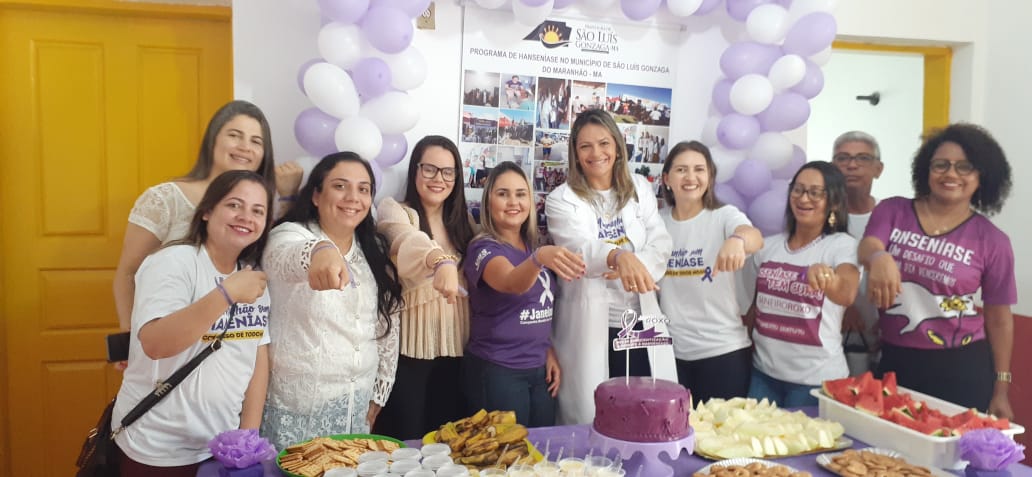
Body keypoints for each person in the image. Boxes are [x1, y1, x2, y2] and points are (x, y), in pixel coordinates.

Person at [112, 170, 273, 476]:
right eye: (234, 205)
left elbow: (256, 356)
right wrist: (226, 294)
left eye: (258, 211)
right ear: (207, 211)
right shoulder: (173, 262)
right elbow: (156, 343)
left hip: (220, 447)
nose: (245, 217)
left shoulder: (252, 277)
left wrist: (246, 438)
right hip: (157, 449)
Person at [860, 124, 1015, 419]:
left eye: (964, 167)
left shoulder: (993, 241)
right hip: (896, 358)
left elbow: (999, 319)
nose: (951, 174)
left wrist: (1001, 388)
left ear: (982, 176)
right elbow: (868, 245)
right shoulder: (894, 211)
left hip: (961, 366)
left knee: (950, 445)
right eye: (941, 164)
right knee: (887, 444)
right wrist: (879, 257)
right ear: (926, 169)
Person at [113, 100, 301, 331]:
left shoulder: (258, 210)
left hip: (236, 337)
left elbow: (274, 262)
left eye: (256, 141)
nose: (245, 147)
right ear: (213, 140)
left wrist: (288, 197)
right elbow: (128, 272)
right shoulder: (166, 199)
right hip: (170, 334)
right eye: (235, 135)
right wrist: (130, 334)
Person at [260, 153, 403, 451]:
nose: (353, 197)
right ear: (316, 195)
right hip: (299, 411)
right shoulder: (287, 234)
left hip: (356, 406)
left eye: (363, 189)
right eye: (340, 186)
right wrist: (321, 250)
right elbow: (287, 256)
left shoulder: (372, 249)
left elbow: (386, 324)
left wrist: (379, 392)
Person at [544, 109, 674, 425]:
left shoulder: (639, 188)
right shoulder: (561, 199)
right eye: (585, 146)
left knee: (643, 414)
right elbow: (578, 247)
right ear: (575, 153)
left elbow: (660, 241)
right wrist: (618, 257)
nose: (596, 153)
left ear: (616, 146)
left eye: (604, 143)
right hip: (591, 326)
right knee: (595, 415)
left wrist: (635, 265)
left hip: (640, 324)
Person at [462, 162, 585, 428]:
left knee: (540, 449)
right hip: (498, 370)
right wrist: (539, 258)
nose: (513, 202)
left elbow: (536, 306)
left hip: (540, 371)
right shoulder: (483, 248)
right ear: (488, 201)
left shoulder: (530, 246)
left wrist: (546, 348)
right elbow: (511, 282)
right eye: (502, 194)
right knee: (505, 452)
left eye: (520, 194)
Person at [373, 135, 477, 439]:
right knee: (407, 440)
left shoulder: (464, 223)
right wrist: (441, 261)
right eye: (429, 169)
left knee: (447, 445)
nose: (438, 179)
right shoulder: (396, 211)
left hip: (458, 351)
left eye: (448, 172)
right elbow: (406, 240)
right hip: (409, 353)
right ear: (415, 170)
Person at [746, 161, 860, 407]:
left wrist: (827, 278)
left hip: (816, 381)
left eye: (815, 192)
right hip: (763, 374)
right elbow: (752, 308)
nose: (804, 198)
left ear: (834, 202)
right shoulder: (767, 247)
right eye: (798, 189)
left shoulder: (842, 245)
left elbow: (847, 293)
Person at [657, 141, 763, 404]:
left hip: (723, 352)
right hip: (671, 354)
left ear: (710, 177)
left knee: (720, 429)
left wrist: (737, 240)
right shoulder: (657, 223)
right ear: (667, 179)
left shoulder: (724, 216)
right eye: (681, 169)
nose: (690, 177)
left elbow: (754, 237)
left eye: (699, 169)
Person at [831, 131, 885, 374]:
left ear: (878, 169)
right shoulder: (820, 218)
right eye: (843, 158)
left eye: (862, 158)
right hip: (833, 334)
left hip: (886, 334)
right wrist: (843, 308)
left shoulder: (890, 217)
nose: (852, 165)